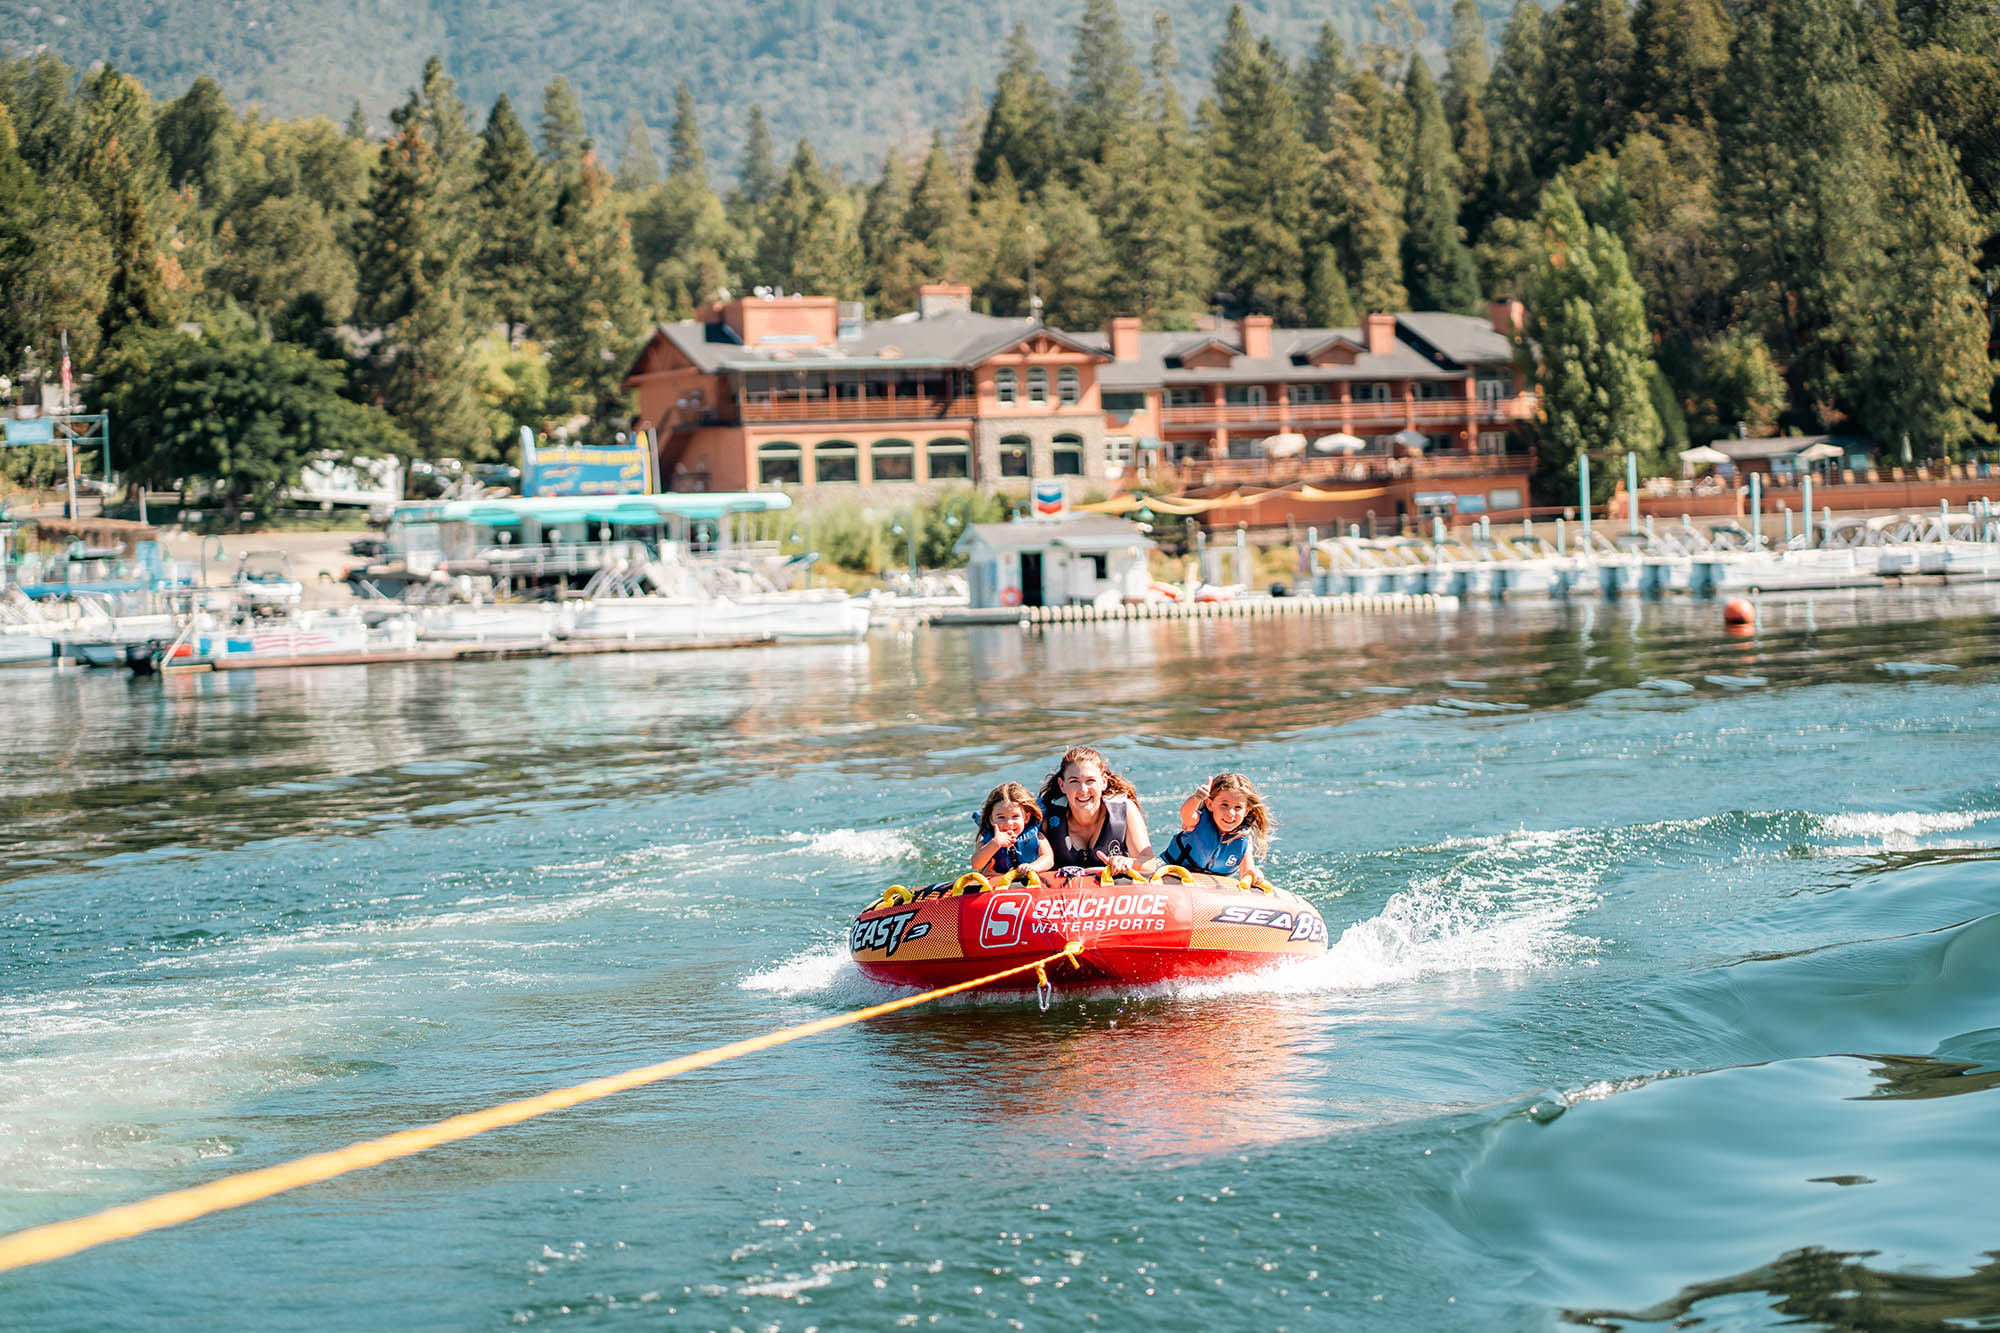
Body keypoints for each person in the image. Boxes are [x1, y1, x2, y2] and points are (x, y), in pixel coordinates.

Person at [1038, 745, 1153, 876]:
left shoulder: (1125, 810)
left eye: (1090, 781)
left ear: (1104, 782)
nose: (1083, 790)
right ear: (1062, 785)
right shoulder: (1046, 815)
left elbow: (1149, 864)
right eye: (1074, 781)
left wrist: (1126, 862)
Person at [1159, 772, 1271, 880]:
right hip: (1176, 875)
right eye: (1224, 805)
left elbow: (1247, 868)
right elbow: (1186, 814)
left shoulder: (1244, 836)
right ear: (1209, 804)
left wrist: (1252, 873)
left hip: (1212, 885)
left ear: (1246, 811)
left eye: (1238, 807)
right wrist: (1196, 798)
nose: (1230, 813)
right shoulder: (1197, 822)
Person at [969, 781, 1053, 875]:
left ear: (1026, 818)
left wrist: (1033, 867)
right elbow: (976, 865)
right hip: (998, 880)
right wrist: (995, 843)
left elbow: (1048, 859)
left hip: (1030, 879)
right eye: (1001, 817)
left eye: (1015, 816)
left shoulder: (1038, 837)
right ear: (991, 819)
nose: (1009, 823)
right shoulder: (987, 843)